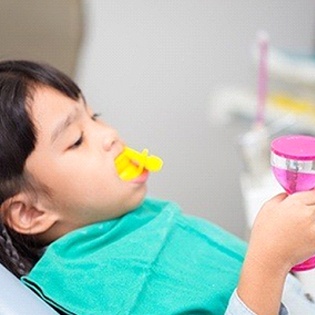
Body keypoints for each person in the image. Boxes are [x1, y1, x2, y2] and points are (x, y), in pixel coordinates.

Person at [0, 60, 314, 315]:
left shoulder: (128, 222)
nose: (109, 135)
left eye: (95, 116)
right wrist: (269, 259)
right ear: (29, 211)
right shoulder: (97, 291)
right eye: (77, 140)